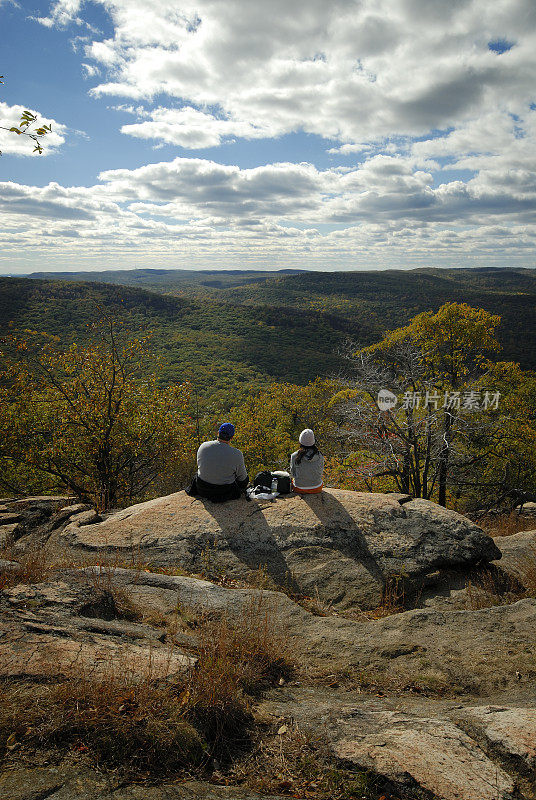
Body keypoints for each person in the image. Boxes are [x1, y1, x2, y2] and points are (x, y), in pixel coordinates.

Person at [192, 423, 249, 503]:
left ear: (218, 433)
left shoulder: (203, 446)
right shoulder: (237, 453)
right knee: (244, 479)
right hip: (224, 492)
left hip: (202, 489)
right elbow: (242, 479)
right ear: (232, 437)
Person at [290, 429, 324, 494]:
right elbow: (320, 471)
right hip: (317, 488)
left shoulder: (294, 456)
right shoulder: (320, 455)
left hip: (299, 488)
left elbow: (293, 473)